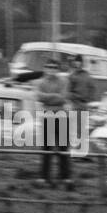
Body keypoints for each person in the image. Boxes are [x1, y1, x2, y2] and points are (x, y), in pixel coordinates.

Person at [36, 58, 71, 188]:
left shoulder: (64, 81)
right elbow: (39, 96)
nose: (51, 70)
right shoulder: (40, 82)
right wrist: (54, 96)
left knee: (63, 148)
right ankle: (44, 177)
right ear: (45, 68)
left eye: (54, 67)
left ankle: (65, 177)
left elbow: (63, 97)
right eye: (49, 67)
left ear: (58, 69)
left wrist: (47, 97)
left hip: (61, 116)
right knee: (46, 148)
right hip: (47, 116)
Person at [66, 54, 96, 154]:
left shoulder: (87, 74)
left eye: (78, 61)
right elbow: (68, 91)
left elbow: (92, 88)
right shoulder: (72, 75)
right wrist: (75, 97)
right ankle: (77, 150)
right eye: (75, 61)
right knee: (76, 129)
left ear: (81, 62)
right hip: (76, 105)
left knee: (83, 129)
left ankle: (83, 151)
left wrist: (88, 99)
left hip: (84, 105)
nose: (77, 63)